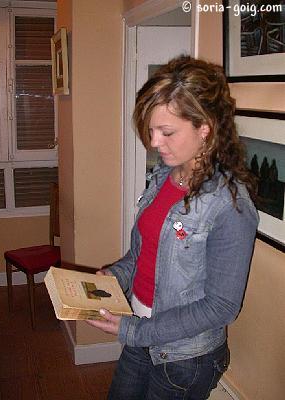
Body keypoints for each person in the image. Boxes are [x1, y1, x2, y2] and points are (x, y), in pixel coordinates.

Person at [86, 55, 259, 400]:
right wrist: (115, 275)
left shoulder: (229, 204)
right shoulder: (163, 177)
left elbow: (222, 306)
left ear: (205, 127)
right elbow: (143, 254)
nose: (153, 142)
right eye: (151, 130)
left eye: (166, 132)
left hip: (184, 356)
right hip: (140, 330)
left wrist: (135, 331)